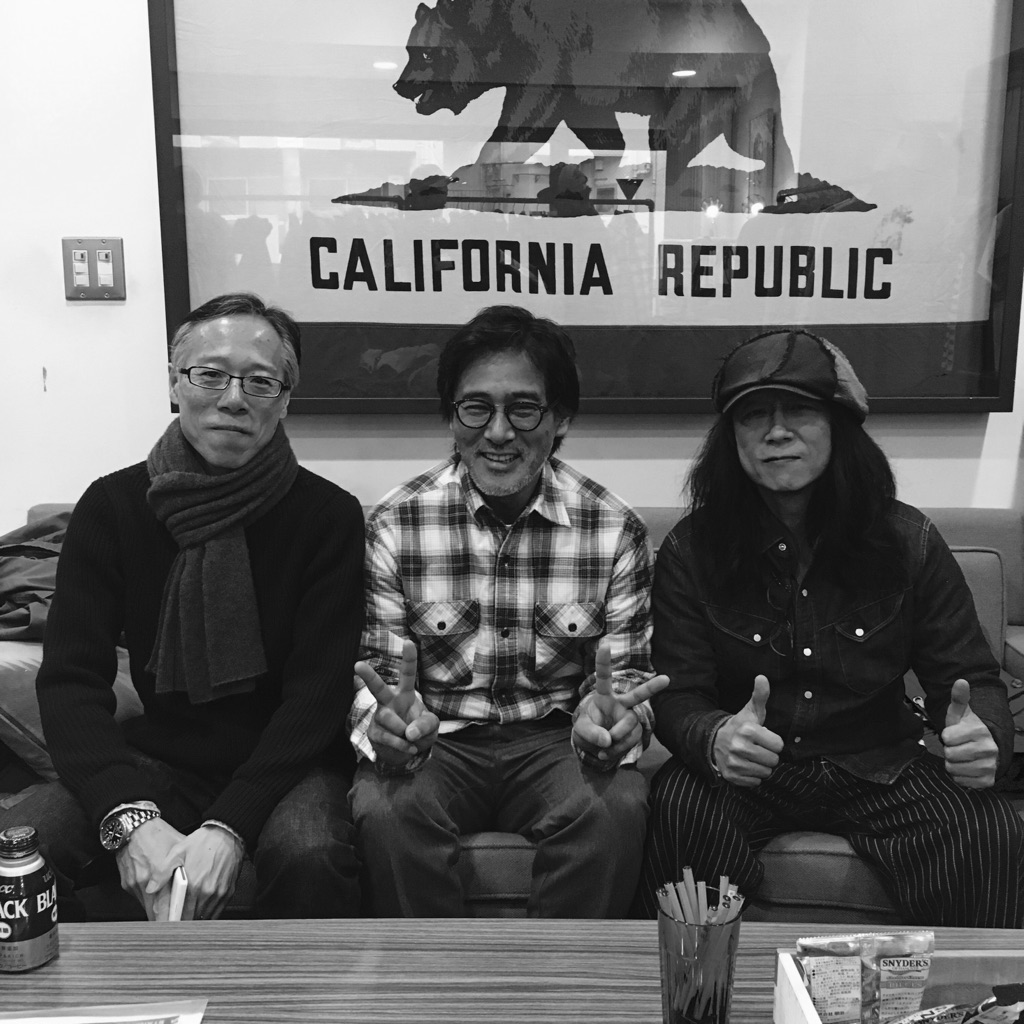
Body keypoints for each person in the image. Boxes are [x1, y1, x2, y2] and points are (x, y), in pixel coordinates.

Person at [635, 328, 1024, 926]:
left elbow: (971, 678)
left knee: (988, 829)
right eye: (754, 416)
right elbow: (678, 690)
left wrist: (986, 740)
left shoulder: (910, 540)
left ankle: (967, 989)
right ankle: (698, 982)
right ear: (731, 438)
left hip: (883, 763)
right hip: (751, 771)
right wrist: (712, 737)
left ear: (840, 426)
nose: (776, 432)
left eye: (799, 411)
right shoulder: (692, 550)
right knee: (681, 805)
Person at [0, 293, 365, 921]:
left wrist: (230, 827)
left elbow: (317, 696)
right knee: (26, 846)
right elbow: (71, 681)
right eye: (210, 374)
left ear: (285, 399)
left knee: (309, 854)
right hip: (160, 757)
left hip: (288, 765)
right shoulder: (113, 507)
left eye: (260, 381)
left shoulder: (328, 517)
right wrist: (127, 817)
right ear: (175, 383)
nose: (234, 398)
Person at [349, 304, 666, 917]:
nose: (498, 433)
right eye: (476, 408)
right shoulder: (395, 523)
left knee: (617, 806)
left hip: (555, 739)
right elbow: (379, 679)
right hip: (438, 737)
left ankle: (563, 977)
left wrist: (616, 721)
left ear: (560, 417)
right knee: (385, 810)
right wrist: (383, 725)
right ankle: (432, 977)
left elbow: (627, 679)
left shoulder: (614, 528)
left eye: (523, 408)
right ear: (451, 416)